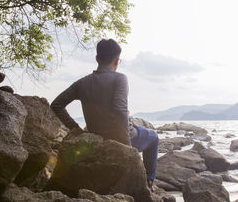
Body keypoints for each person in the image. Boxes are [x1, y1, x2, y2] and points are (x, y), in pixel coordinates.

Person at [50, 38, 158, 190]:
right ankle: (149, 182)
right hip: (122, 137)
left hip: (96, 136)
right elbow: (119, 110)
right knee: (153, 136)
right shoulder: (120, 78)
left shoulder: (82, 83)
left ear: (96, 59)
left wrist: (76, 130)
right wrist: (127, 148)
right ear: (117, 60)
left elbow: (56, 105)